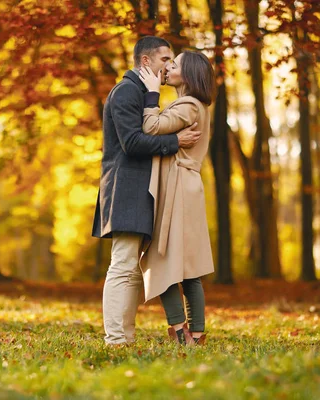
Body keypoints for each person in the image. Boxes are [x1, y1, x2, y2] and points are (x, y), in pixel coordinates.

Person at [92, 37, 202, 346]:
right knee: (123, 264)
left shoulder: (143, 94)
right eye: (165, 59)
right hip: (126, 187)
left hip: (141, 190)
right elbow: (133, 143)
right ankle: (115, 339)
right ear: (146, 62)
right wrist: (175, 142)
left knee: (131, 268)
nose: (169, 65)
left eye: (171, 60)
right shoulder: (127, 92)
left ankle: (124, 337)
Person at [138, 51, 217, 345]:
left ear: (190, 74)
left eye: (176, 64)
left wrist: (151, 95)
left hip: (179, 188)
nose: (169, 67)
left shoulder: (188, 106)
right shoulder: (194, 106)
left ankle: (184, 332)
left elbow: (150, 128)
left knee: (166, 261)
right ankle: (193, 334)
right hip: (185, 186)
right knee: (186, 267)